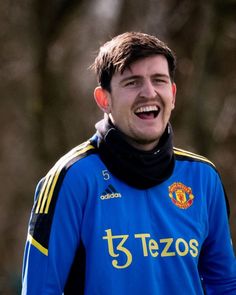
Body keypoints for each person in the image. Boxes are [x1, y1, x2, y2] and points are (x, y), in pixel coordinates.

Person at [21, 32, 236, 294]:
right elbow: (39, 289)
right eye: (132, 82)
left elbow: (225, 284)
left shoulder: (203, 177)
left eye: (159, 80)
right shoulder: (71, 179)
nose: (149, 92)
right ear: (104, 99)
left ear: (173, 93)